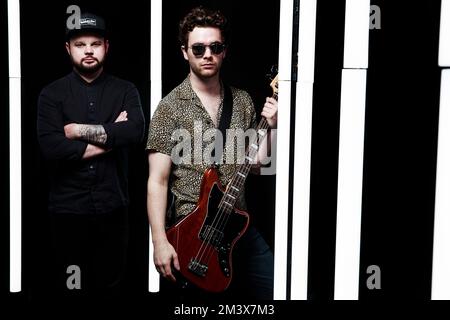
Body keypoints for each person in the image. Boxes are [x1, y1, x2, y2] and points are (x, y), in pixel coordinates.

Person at [146, 6, 277, 300]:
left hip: (238, 227)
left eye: (215, 47)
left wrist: (270, 126)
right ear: (184, 52)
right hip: (194, 234)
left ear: (224, 51)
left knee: (275, 290)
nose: (208, 54)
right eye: (199, 48)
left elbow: (257, 165)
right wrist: (159, 241)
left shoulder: (242, 101)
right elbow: (157, 181)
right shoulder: (170, 108)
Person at [37, 12, 145, 299]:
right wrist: (113, 136)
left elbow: (134, 133)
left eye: (95, 43)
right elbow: (52, 148)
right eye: (80, 44)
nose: (88, 50)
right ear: (68, 49)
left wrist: (74, 131)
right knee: (71, 287)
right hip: (66, 213)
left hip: (114, 209)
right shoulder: (52, 94)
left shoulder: (125, 90)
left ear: (106, 47)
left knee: (110, 286)